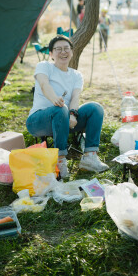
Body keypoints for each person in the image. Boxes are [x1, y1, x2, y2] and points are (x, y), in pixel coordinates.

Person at [26, 35, 109, 178]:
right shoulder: (44, 66)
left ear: (71, 52)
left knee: (95, 108)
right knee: (60, 109)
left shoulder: (76, 75)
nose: (63, 52)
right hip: (39, 121)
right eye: (58, 49)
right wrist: (55, 100)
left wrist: (72, 114)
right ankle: (60, 160)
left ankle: (90, 156)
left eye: (66, 48)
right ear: (51, 54)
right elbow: (44, 85)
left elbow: (75, 97)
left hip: (65, 120)